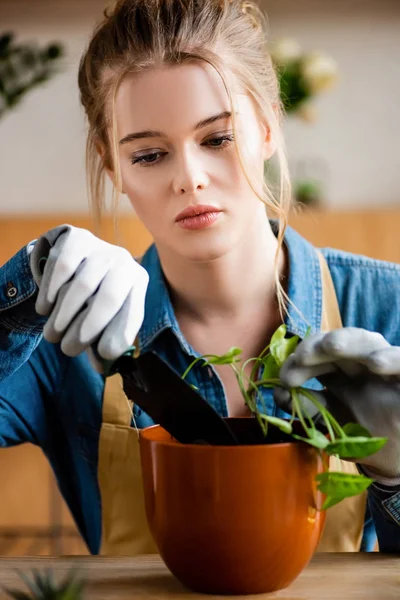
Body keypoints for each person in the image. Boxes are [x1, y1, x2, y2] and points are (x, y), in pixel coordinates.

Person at [1, 0, 400, 556]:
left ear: (265, 127)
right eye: (148, 155)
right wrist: (27, 286)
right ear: (111, 164)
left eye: (216, 139)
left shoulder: (389, 307)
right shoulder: (60, 336)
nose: (190, 179)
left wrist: (397, 477)